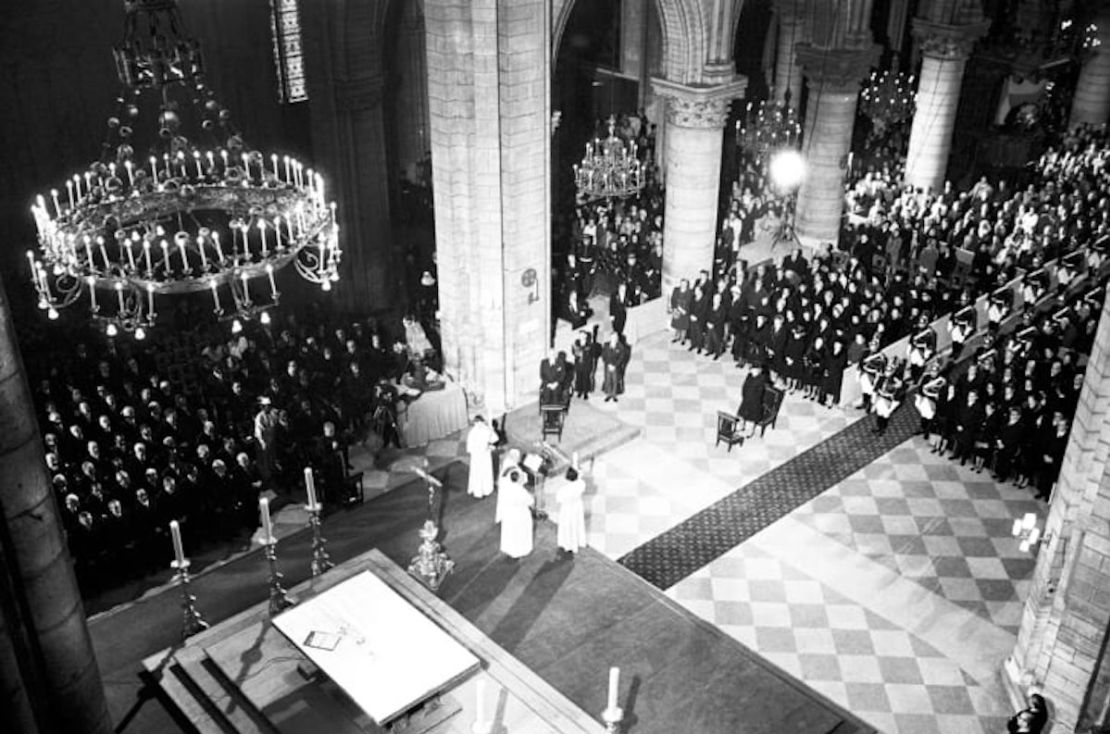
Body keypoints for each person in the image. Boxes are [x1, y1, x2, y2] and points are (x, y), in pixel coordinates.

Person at [498, 468, 534, 559]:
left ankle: (509, 549)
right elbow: (530, 501)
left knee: (510, 532)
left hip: (509, 513)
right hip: (520, 514)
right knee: (519, 532)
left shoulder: (507, 488)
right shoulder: (521, 491)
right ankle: (519, 550)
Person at [555, 465, 587, 555]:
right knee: (576, 524)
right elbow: (580, 475)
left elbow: (559, 499)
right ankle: (576, 542)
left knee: (567, 526)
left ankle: (567, 544)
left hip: (567, 508)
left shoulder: (564, 490)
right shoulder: (581, 484)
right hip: (577, 506)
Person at [465, 416, 498, 499]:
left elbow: (469, 449)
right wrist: (492, 430)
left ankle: (479, 491)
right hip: (483, 456)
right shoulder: (485, 430)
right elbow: (494, 439)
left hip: (477, 457)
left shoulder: (472, 432)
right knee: (484, 473)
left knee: (478, 474)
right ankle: (484, 490)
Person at [252, 396, 280, 491]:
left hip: (272, 442)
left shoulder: (272, 415)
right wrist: (263, 442)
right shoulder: (259, 417)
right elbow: (259, 432)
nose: (268, 407)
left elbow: (275, 426)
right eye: (266, 406)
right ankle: (268, 482)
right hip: (263, 444)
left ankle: (274, 480)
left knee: (272, 461)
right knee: (265, 463)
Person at [737, 363, 768, 437]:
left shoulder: (762, 380)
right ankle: (740, 426)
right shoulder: (749, 376)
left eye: (753, 369)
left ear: (759, 370)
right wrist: (745, 397)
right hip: (747, 399)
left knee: (751, 418)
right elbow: (744, 387)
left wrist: (750, 399)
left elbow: (759, 395)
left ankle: (749, 432)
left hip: (755, 403)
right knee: (741, 414)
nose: (751, 371)